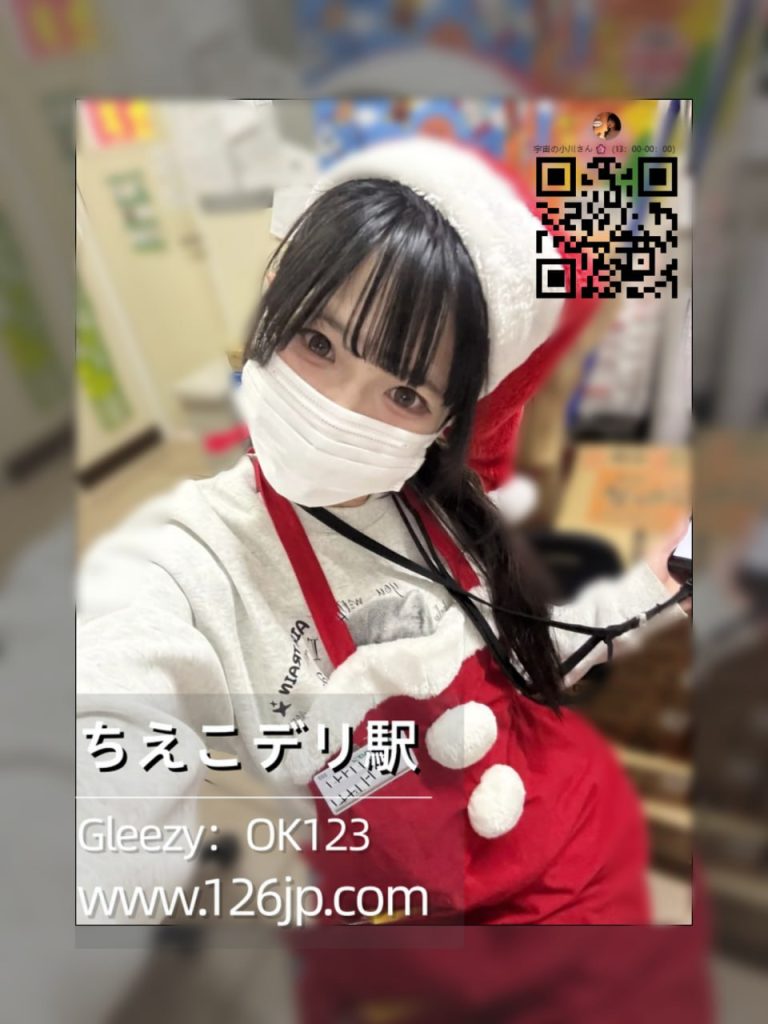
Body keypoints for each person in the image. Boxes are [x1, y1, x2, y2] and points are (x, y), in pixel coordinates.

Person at [77, 137, 689, 931]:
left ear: (446, 425)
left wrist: (655, 589)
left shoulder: (448, 512)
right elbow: (101, 735)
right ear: (271, 307)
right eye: (318, 344)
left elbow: (532, 640)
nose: (339, 410)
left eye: (404, 393)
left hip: (581, 857)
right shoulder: (187, 558)